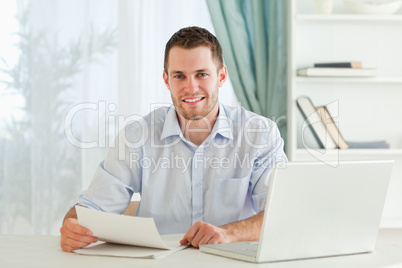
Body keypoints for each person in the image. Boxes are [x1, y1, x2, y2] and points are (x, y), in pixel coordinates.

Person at [60, 26, 287, 253]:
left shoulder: (260, 134)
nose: (191, 87)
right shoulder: (137, 137)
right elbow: (93, 207)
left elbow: (284, 211)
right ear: (166, 80)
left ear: (221, 76)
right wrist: (72, 224)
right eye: (179, 76)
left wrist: (229, 233)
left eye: (201, 74)